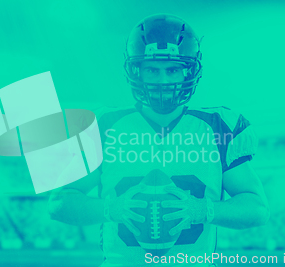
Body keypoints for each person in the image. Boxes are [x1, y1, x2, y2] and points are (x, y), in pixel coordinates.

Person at [48, 14, 270, 267]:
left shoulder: (218, 128)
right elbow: (59, 202)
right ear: (136, 71)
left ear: (189, 71)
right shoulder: (105, 127)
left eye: (173, 70)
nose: (163, 81)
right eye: (152, 70)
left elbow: (257, 208)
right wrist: (110, 209)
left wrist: (204, 210)